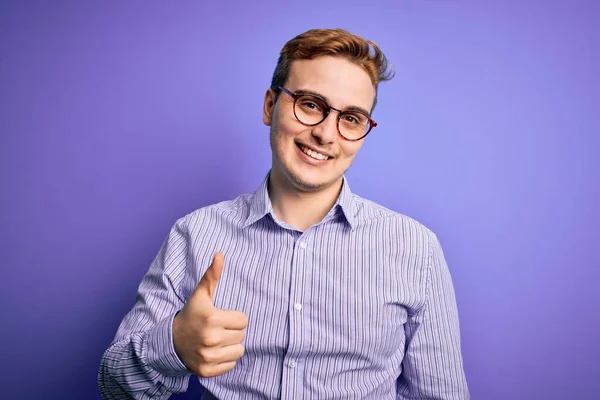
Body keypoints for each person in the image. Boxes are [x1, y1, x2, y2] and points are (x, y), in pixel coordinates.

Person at [98, 28, 470, 400]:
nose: (326, 134)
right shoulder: (195, 234)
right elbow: (113, 387)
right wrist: (174, 346)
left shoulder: (415, 248)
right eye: (310, 104)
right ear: (269, 106)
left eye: (352, 118)